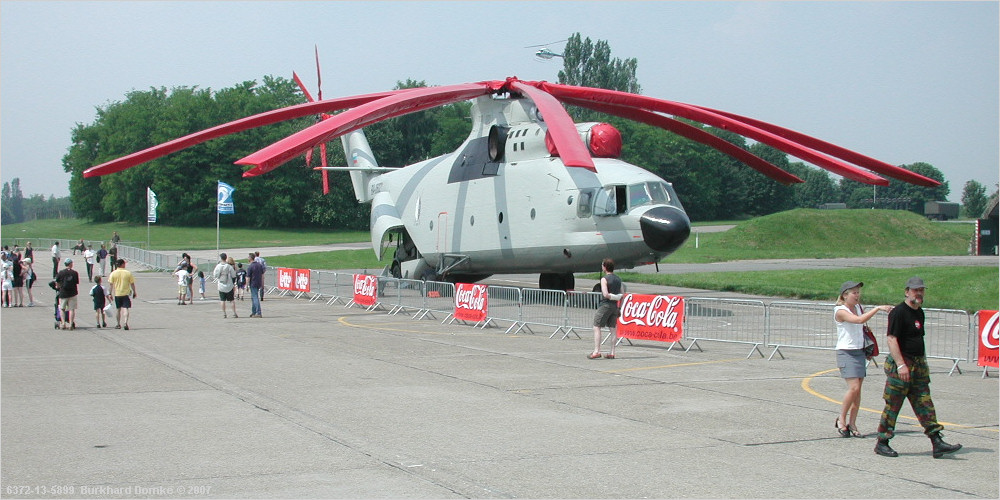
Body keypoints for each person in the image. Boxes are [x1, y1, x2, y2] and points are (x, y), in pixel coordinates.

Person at [874, 277, 962, 459]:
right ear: (907, 292)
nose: (919, 293)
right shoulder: (898, 312)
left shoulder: (919, 312)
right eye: (915, 290)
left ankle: (937, 441)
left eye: (921, 290)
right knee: (893, 406)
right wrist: (901, 365)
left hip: (918, 367)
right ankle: (882, 442)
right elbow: (892, 339)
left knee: (925, 403)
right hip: (901, 366)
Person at [833, 281, 892, 438]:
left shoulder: (859, 308)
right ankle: (842, 419)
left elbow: (862, 324)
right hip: (846, 352)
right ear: (845, 295)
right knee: (853, 388)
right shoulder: (840, 310)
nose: (857, 295)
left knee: (858, 391)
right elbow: (858, 321)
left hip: (859, 351)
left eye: (858, 292)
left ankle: (852, 423)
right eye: (854, 292)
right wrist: (878, 308)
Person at [589, 258, 624, 359]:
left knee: (596, 326)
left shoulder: (604, 279)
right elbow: (622, 295)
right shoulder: (618, 279)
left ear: (605, 267)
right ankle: (612, 352)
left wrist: (613, 297)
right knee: (613, 329)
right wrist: (619, 307)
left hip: (605, 305)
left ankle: (597, 351)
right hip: (614, 306)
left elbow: (605, 294)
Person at [108, 258, 137, 330]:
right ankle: (125, 322)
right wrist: (134, 292)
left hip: (117, 293)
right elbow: (132, 283)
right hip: (125, 294)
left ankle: (118, 324)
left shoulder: (113, 273)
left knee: (118, 309)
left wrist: (110, 293)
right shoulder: (128, 273)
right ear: (122, 264)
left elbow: (111, 285)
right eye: (124, 263)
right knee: (126, 308)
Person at [55, 258, 80, 330]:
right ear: (70, 264)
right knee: (72, 309)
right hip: (73, 293)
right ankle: (71, 323)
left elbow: (57, 281)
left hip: (63, 293)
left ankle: (63, 324)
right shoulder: (75, 273)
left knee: (62, 308)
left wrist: (58, 287)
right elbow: (76, 282)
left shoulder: (61, 272)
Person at [212, 253, 238, 318]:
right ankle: (234, 313)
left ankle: (224, 313)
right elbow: (233, 275)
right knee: (231, 300)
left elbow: (215, 275)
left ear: (221, 258)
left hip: (221, 285)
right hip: (229, 285)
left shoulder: (218, 266)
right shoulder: (229, 266)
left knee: (222, 300)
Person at [247, 253, 264, 318]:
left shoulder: (250, 266)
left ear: (250, 258)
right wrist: (262, 284)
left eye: (248, 257)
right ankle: (253, 312)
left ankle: (258, 312)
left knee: (255, 297)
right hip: (258, 283)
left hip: (253, 283)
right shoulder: (259, 265)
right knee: (253, 297)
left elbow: (248, 277)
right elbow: (262, 276)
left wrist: (247, 285)